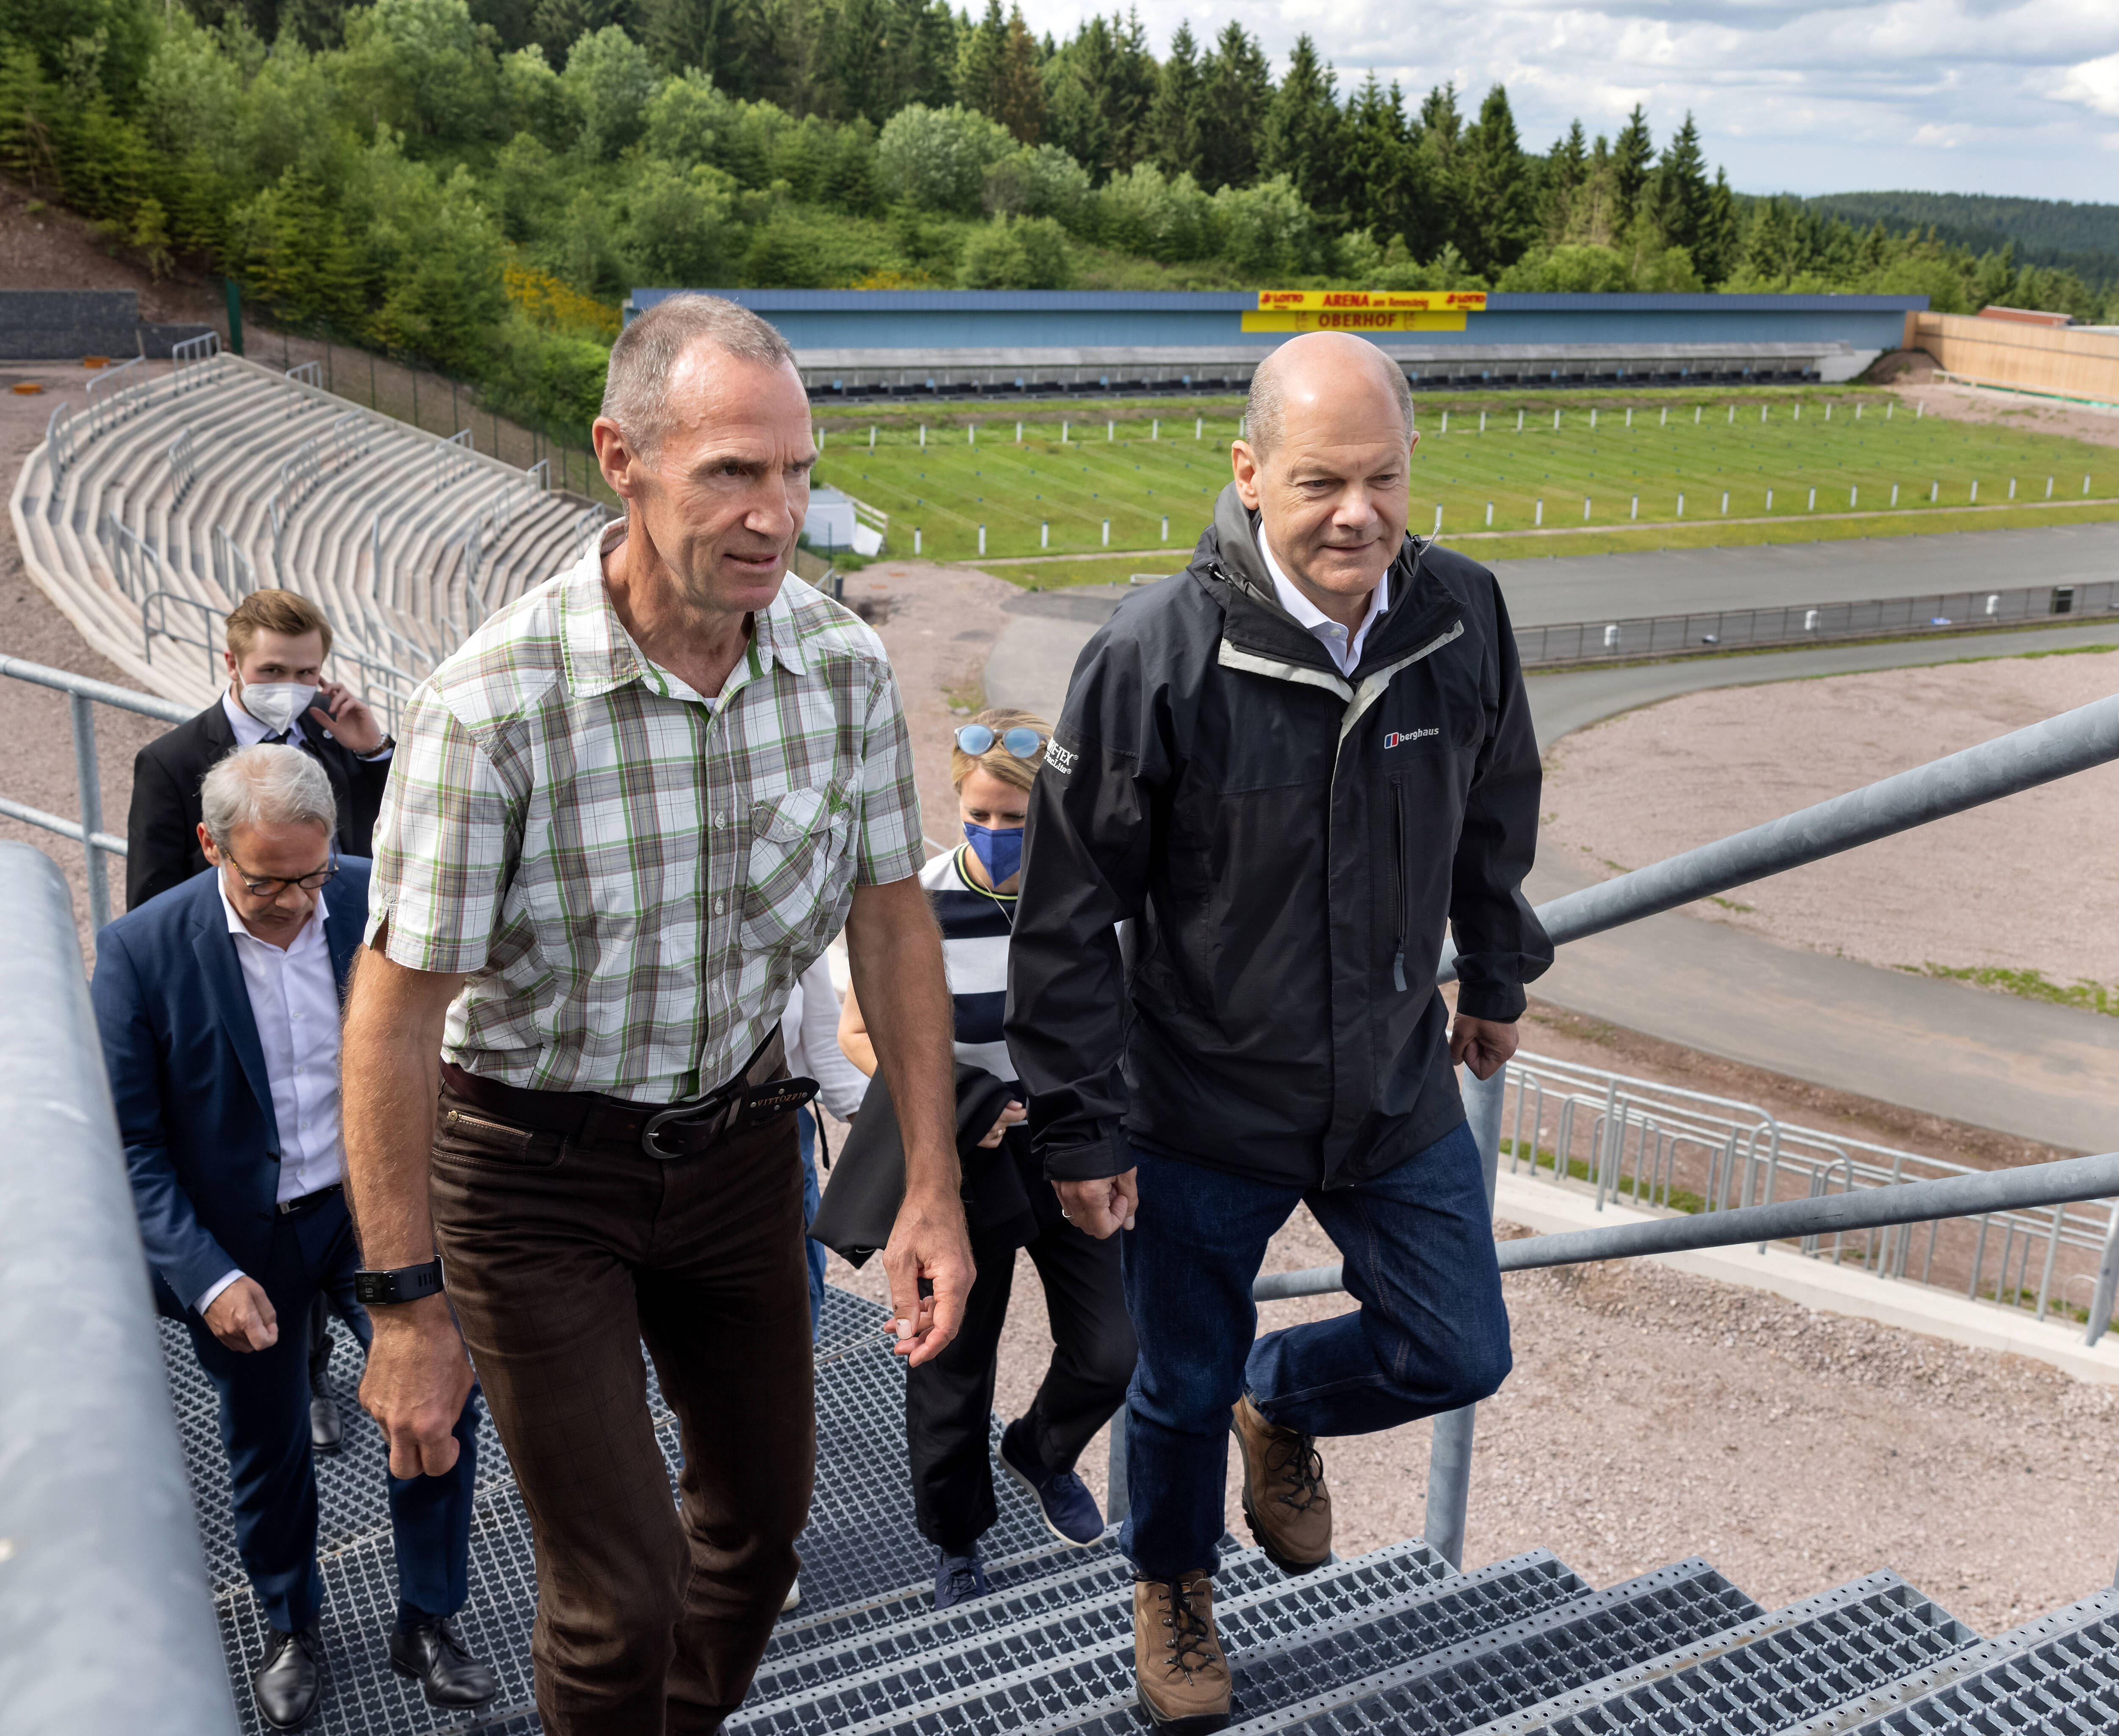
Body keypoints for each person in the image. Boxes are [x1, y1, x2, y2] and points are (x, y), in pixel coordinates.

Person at [339, 292, 974, 1736]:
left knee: (757, 1540)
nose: (778, 514)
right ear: (621, 459)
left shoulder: (841, 668)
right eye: (733, 473)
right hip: (532, 1172)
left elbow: (891, 919)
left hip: (743, 1148)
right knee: (616, 1594)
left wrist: (930, 1181)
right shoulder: (492, 702)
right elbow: (390, 1018)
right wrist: (404, 1303)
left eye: (798, 471)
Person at [1006, 331, 1551, 1733]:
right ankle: (1174, 1581)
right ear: (1249, 475)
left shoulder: (1462, 615)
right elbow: (1067, 912)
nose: (1356, 512)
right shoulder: (1151, 654)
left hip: (1388, 1079)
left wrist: (1492, 966)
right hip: (1199, 1104)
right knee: (1174, 1385)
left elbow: (1499, 803)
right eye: (1319, 481)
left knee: (1459, 1348)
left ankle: (1284, 1391)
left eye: (1382, 478)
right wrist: (1078, 1118)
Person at [90, 746, 494, 1730]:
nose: (297, 902)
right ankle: (288, 1623)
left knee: (437, 1412)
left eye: (312, 874)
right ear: (208, 846)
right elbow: (129, 1142)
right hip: (239, 1243)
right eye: (267, 881)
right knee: (266, 1444)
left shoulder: (373, 903)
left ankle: (428, 1618)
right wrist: (207, 1274)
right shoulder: (143, 950)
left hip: (375, 1218)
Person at [840, 709, 1136, 1610]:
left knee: (1110, 1348)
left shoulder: (1085, 906)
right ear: (955, 804)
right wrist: (963, 1101)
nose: (997, 834)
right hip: (961, 1163)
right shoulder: (913, 903)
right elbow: (858, 1034)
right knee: (951, 1364)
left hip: (1069, 1151)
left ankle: (1040, 1451)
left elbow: (1118, 1029)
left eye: (1016, 818)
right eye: (981, 815)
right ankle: (957, 1538)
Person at [125, 586, 395, 1453]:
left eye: (308, 670)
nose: (293, 686)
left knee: (337, 1191)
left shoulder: (335, 744)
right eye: (274, 671)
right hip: (230, 1013)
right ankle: (300, 1378)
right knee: (266, 1201)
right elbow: (151, 905)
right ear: (233, 665)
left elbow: (387, 866)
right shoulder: (175, 762)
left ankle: (363, 1366)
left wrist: (377, 751)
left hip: (329, 1004)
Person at [782, 951, 871, 1341]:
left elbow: (822, 1023)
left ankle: (801, 1356)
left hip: (775, 1112)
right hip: (628, 1126)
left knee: (793, 1283)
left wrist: (879, 1133)